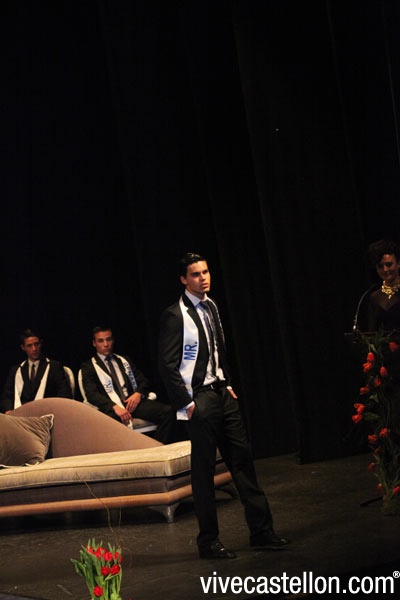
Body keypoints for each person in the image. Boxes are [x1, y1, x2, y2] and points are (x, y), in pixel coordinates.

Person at [158, 252, 290, 559]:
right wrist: (188, 403)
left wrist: (227, 381)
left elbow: (218, 348)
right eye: (195, 274)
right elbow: (167, 365)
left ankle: (261, 531)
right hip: (200, 400)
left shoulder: (212, 305)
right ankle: (208, 542)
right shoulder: (176, 315)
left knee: (242, 461)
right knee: (204, 473)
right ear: (183, 279)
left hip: (222, 393)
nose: (203, 278)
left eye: (205, 272)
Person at [80, 326, 175, 444]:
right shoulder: (88, 367)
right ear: (94, 343)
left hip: (132, 404)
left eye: (108, 339)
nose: (106, 344)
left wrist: (138, 394)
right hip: (112, 408)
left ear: (113, 340)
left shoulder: (124, 360)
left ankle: (156, 448)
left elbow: (143, 381)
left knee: (168, 412)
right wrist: (114, 407)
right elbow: (91, 394)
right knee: (108, 425)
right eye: (101, 341)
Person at [0, 328, 72, 413]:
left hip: (47, 413)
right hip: (21, 414)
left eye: (36, 344)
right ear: (23, 348)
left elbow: (64, 393)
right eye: (29, 346)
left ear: (41, 344)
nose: (34, 349)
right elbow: (7, 396)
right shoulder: (16, 370)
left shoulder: (54, 367)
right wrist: (8, 410)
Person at [367, 239, 400, 331]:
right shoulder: (375, 297)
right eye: (380, 266)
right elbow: (372, 331)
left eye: (389, 264)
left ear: (398, 264)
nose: (385, 270)